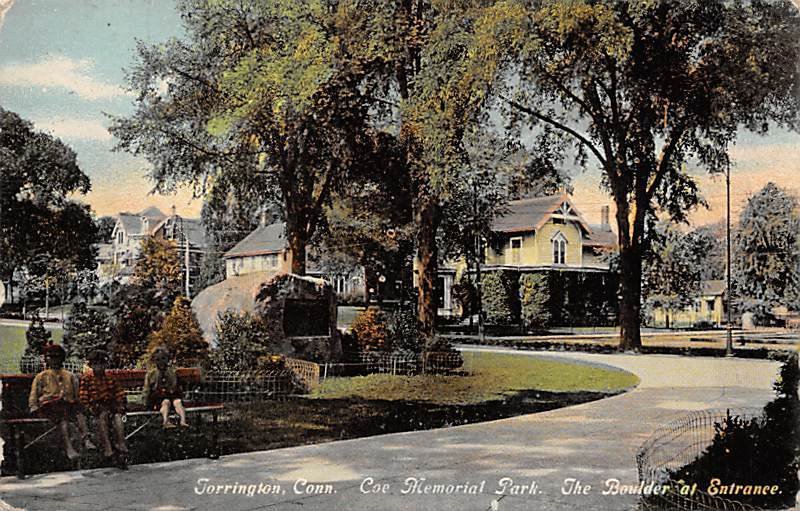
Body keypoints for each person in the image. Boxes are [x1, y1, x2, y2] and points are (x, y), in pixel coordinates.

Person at [28, 344, 94, 460]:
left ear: (62, 358)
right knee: (63, 419)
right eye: (50, 357)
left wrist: (77, 402)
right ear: (46, 359)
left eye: (56, 357)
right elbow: (34, 396)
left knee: (78, 412)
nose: (53, 360)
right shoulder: (42, 376)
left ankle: (86, 439)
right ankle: (69, 448)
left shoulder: (70, 376)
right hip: (49, 406)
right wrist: (34, 407)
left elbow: (76, 395)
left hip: (67, 405)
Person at [79, 349, 128, 466]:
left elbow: (119, 393)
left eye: (101, 364)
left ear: (105, 365)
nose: (99, 367)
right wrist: (88, 407)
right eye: (95, 364)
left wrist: (120, 403)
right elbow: (83, 396)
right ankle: (107, 448)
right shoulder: (87, 379)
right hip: (96, 407)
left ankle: (121, 443)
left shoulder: (110, 378)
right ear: (91, 365)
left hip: (110, 406)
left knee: (118, 417)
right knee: (103, 416)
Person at [143, 347, 189, 429]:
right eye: (158, 359)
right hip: (158, 398)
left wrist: (172, 390)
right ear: (155, 361)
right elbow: (147, 390)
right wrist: (146, 404)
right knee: (166, 402)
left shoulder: (171, 372)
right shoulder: (151, 374)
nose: (161, 362)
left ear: (167, 360)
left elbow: (175, 385)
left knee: (178, 402)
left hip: (171, 395)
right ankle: (165, 421)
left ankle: (183, 421)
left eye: (163, 359)